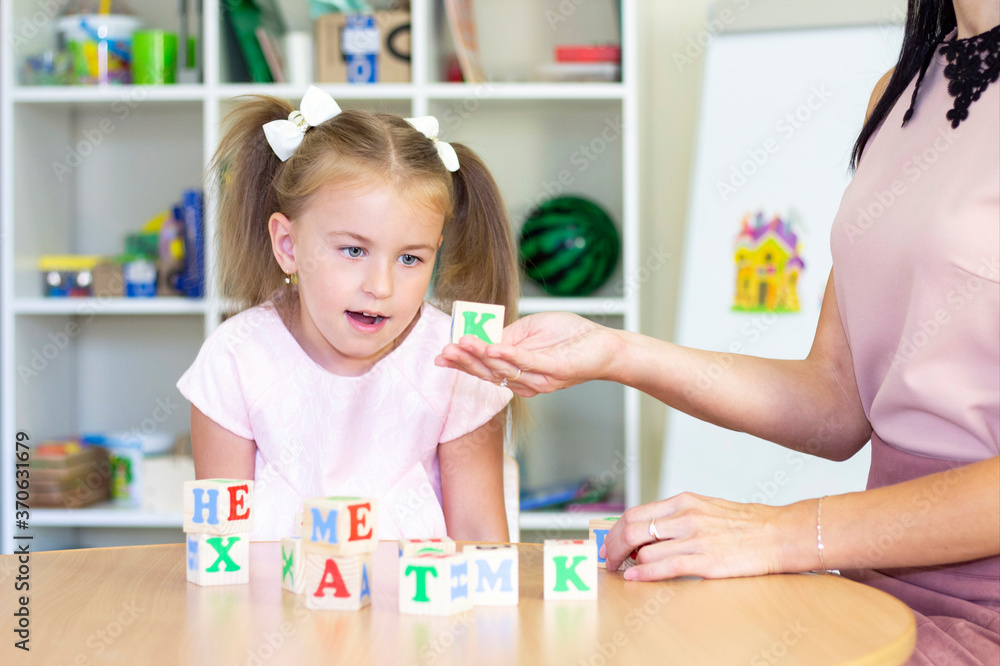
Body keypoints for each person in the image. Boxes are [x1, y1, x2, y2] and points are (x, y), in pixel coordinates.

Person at [437, 1, 999, 661]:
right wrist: (617, 352)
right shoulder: (898, 93)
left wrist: (786, 533)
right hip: (876, 583)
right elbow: (835, 399)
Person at [178, 86, 518, 543]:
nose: (380, 286)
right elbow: (218, 543)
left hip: (417, 615)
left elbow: (481, 538)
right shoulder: (236, 356)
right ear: (288, 245)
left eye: (410, 259)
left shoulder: (458, 361)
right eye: (354, 250)